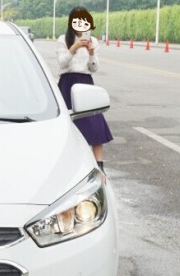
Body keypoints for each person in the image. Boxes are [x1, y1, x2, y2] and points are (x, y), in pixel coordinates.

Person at [57, 6, 113, 173]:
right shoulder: (63, 39)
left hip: (86, 82)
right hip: (67, 83)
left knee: (95, 123)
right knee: (68, 126)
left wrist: (91, 53)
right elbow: (62, 63)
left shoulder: (93, 41)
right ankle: (69, 166)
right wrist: (73, 48)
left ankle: (100, 167)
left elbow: (94, 68)